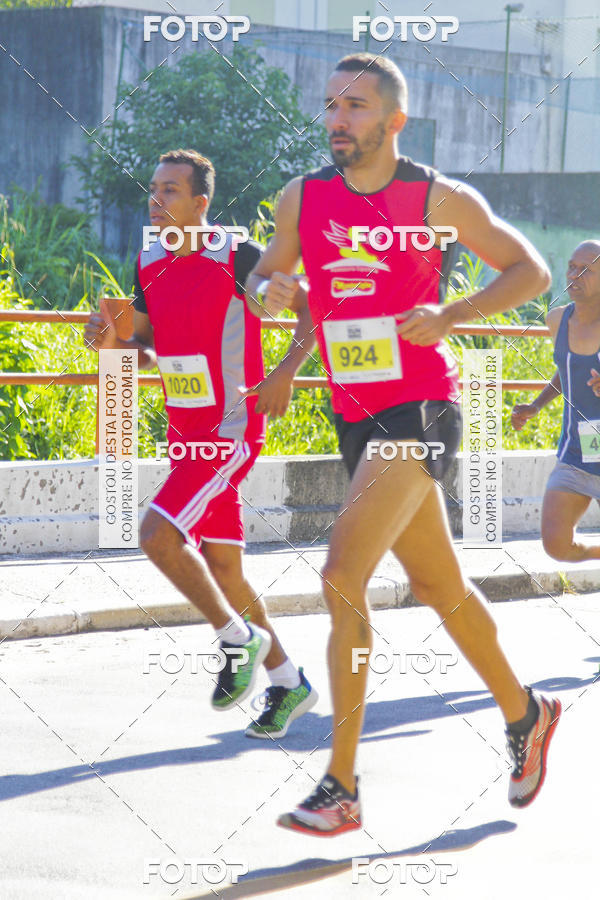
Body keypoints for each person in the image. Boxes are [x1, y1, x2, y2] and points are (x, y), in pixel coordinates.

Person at [245, 53, 561, 835]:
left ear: (393, 121)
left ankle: (341, 786)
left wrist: (450, 316)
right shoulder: (303, 196)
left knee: (341, 575)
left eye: (354, 106)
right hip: (354, 414)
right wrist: (270, 291)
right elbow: (265, 285)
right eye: (329, 105)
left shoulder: (434, 196)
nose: (336, 119)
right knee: (441, 589)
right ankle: (528, 713)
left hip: (420, 406)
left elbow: (534, 271)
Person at [84, 149, 318, 738]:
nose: (156, 200)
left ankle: (237, 641)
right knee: (224, 569)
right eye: (154, 190)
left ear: (200, 203)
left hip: (230, 430)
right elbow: (145, 336)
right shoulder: (148, 260)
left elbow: (311, 304)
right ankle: (289, 682)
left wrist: (287, 370)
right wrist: (106, 337)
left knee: (156, 535)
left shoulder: (237, 256)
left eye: (169, 191)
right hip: (184, 434)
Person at [512, 240, 600, 563]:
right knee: (555, 544)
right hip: (576, 453)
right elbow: (566, 370)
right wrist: (536, 405)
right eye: (572, 267)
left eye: (586, 270)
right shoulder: (557, 320)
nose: (574, 275)